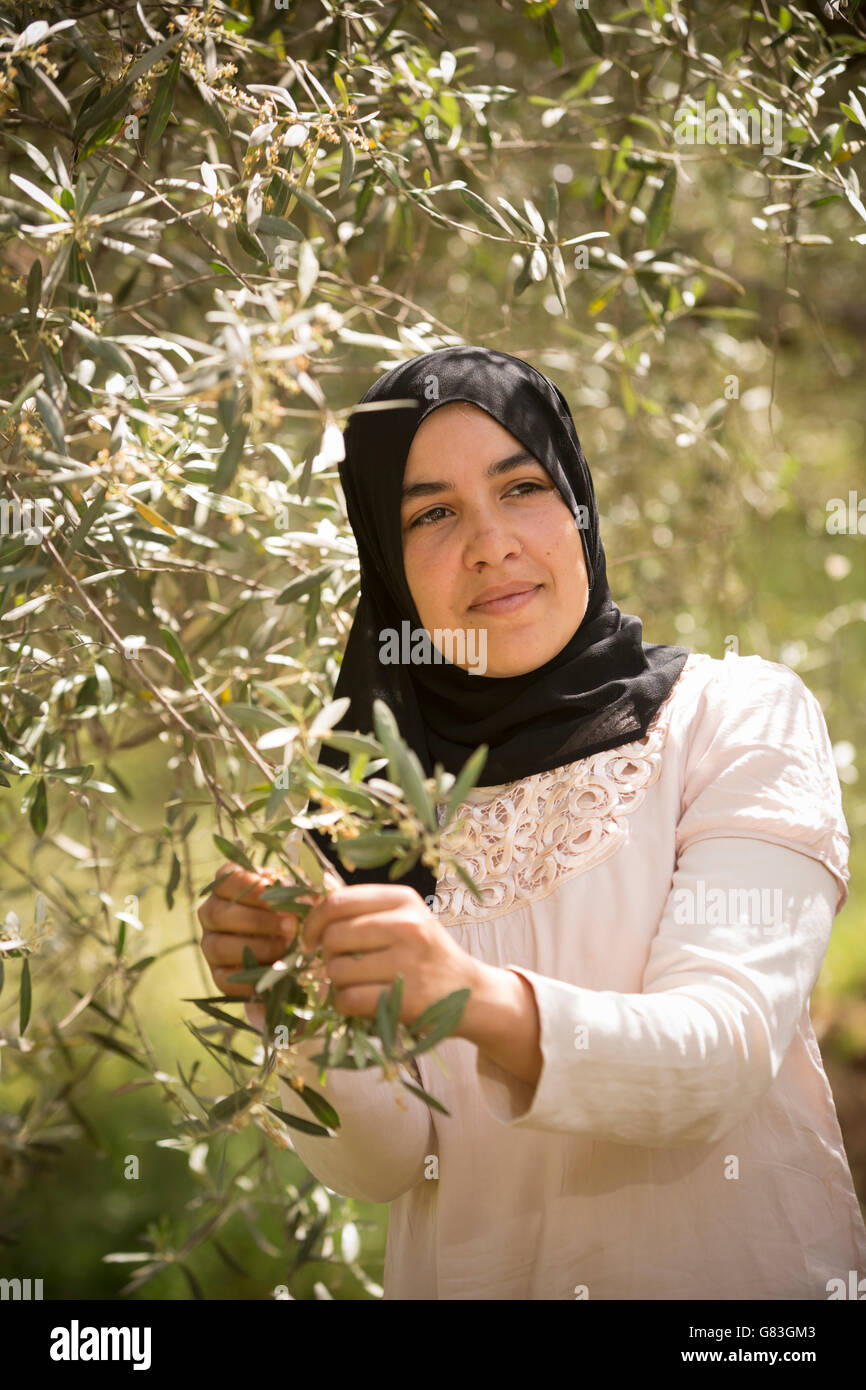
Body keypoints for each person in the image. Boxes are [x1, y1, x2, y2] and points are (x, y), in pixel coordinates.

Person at [198, 345, 866, 1300]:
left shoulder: (732, 719)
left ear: (579, 509)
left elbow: (719, 1058)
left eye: (522, 488)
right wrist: (285, 1001)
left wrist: (465, 994)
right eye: (432, 513)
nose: (491, 543)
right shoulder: (359, 803)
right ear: (385, 563)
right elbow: (384, 1164)